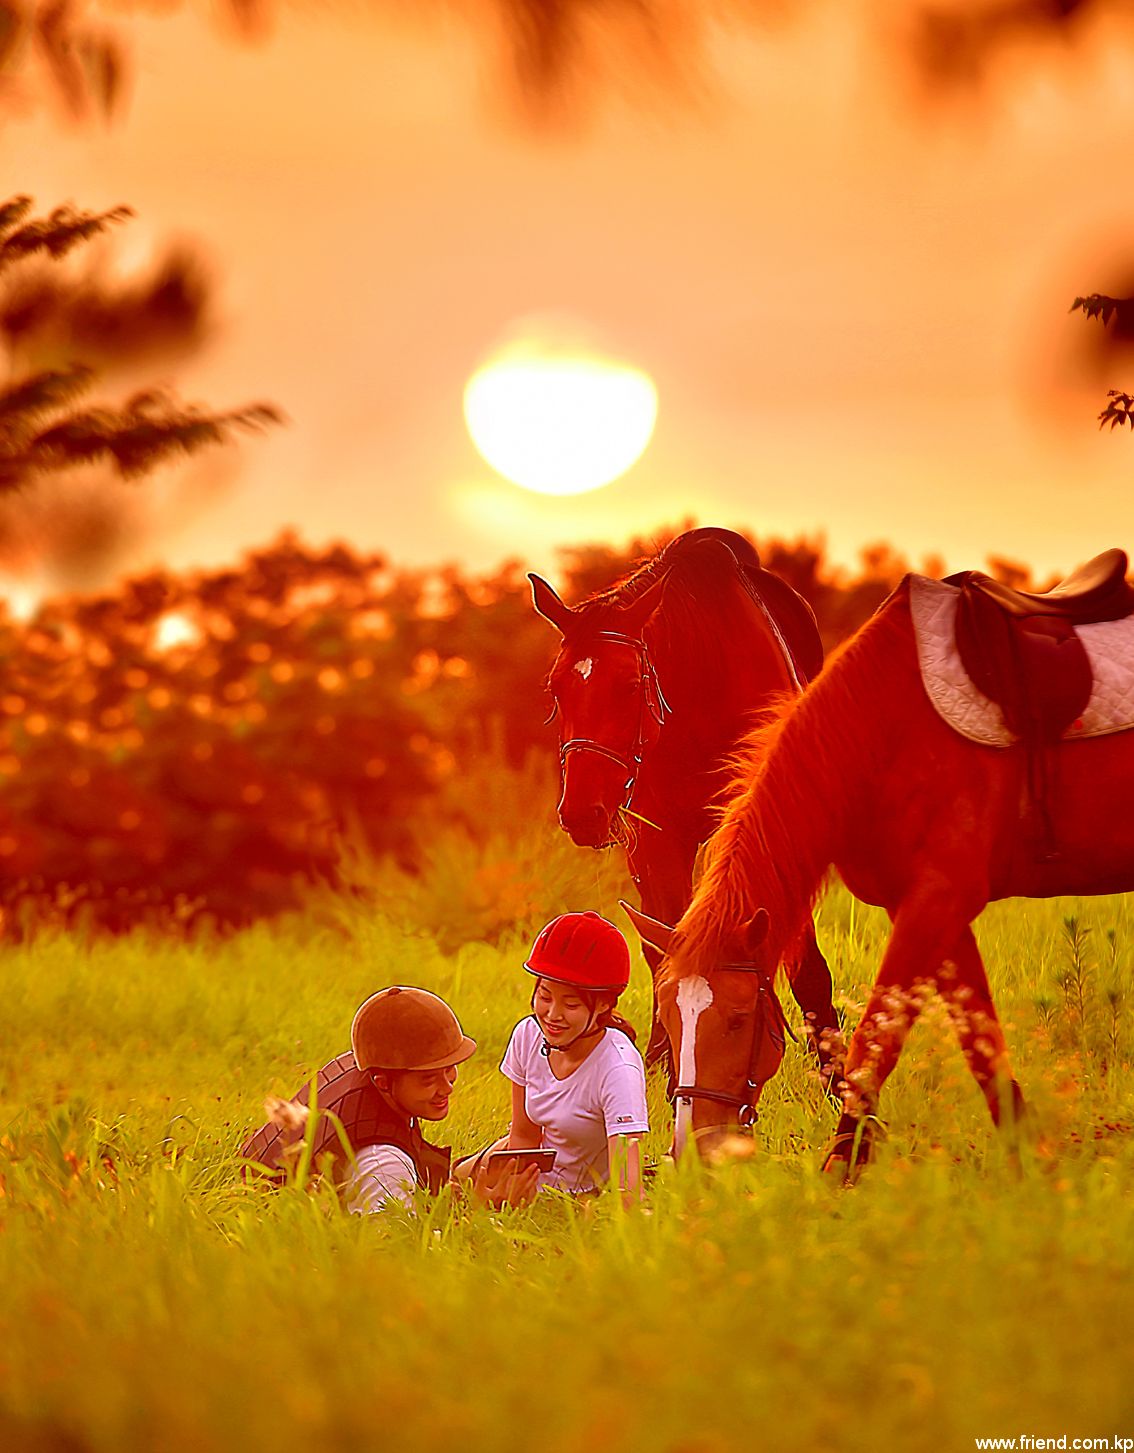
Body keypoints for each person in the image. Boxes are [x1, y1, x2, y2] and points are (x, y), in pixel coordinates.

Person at [240, 985, 538, 1211]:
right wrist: (485, 1208)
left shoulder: (361, 1074)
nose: (446, 1087)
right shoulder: (384, 1164)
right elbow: (399, 1251)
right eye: (427, 1079)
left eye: (449, 1070)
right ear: (383, 1081)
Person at [482, 911, 650, 1199]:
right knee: (454, 1182)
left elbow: (627, 1188)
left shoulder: (618, 1068)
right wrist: (510, 1198)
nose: (552, 1015)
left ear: (603, 1005)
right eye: (545, 997)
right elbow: (524, 1135)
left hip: (583, 1196)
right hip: (533, 1180)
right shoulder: (527, 1035)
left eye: (570, 1004)